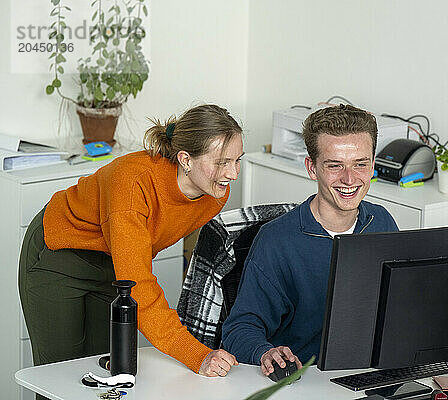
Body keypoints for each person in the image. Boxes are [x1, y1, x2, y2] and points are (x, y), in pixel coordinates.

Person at [18, 104, 242, 387]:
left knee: (105, 376)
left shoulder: (214, 193)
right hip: (60, 257)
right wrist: (197, 355)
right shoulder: (132, 183)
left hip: (114, 268)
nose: (232, 174)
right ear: (185, 159)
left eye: (237, 161)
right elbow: (139, 284)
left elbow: (142, 252)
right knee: (59, 378)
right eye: (222, 162)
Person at [221, 104, 399, 376]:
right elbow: (239, 329)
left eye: (360, 164)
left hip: (368, 375)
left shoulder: (382, 223)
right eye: (334, 165)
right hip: (304, 381)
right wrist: (265, 352)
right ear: (312, 168)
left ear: (372, 165)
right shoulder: (276, 241)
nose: (349, 178)